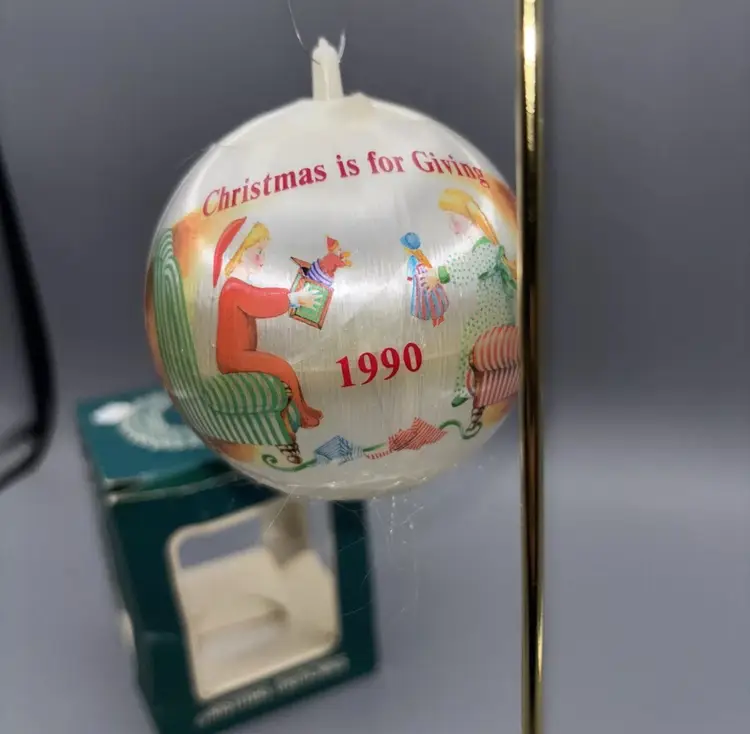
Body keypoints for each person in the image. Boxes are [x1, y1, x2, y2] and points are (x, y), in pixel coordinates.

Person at [212, 219, 323, 428]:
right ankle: (300, 414)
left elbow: (259, 295)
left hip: (242, 354)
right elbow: (260, 301)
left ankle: (302, 407)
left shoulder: (237, 286)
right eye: (258, 251)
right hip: (234, 358)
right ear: (241, 251)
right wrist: (294, 298)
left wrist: (293, 295)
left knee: (281, 367)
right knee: (282, 368)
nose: (263, 258)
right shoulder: (233, 288)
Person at [420, 188, 518, 407]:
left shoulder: (484, 246)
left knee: (477, 345)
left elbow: (471, 265)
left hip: (494, 311)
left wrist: (440, 275)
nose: (452, 226)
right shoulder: (473, 244)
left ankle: (474, 388)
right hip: (486, 309)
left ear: (467, 216)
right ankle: (469, 387)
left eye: (454, 219)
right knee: (471, 342)